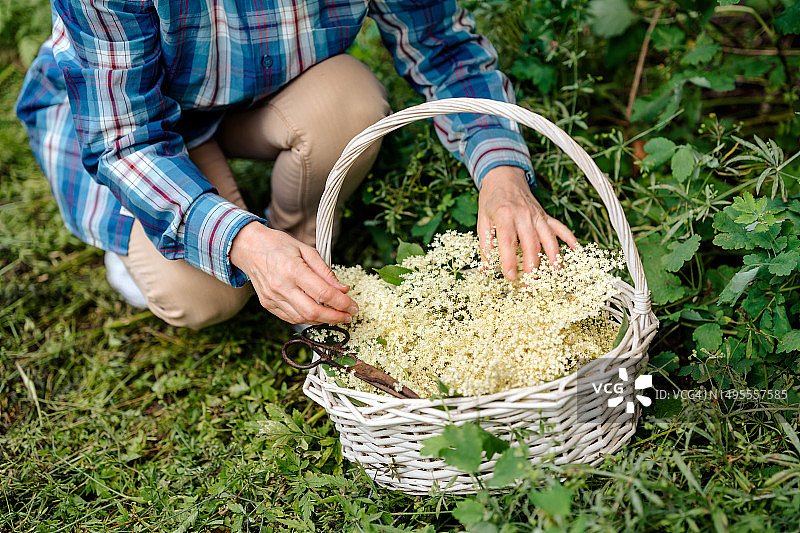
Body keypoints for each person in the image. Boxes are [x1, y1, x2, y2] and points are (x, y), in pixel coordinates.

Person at [17, 0, 578, 330]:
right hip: (141, 123)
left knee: (349, 102)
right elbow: (124, 139)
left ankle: (297, 247)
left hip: (261, 92)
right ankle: (214, 248)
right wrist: (239, 241)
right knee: (201, 297)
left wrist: (502, 176)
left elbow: (442, 47)